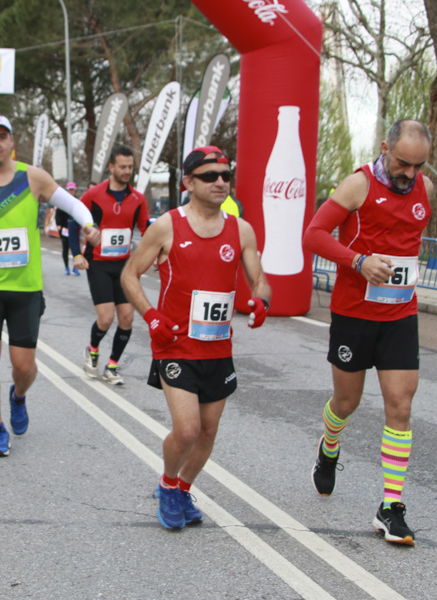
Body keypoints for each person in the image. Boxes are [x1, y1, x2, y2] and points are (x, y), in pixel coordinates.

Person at [121, 145, 271, 530]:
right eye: (210, 176)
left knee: (207, 431)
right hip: (174, 343)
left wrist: (260, 301)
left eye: (225, 174)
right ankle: (168, 486)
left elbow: (260, 280)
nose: (221, 182)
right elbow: (129, 275)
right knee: (186, 429)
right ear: (188, 182)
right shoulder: (167, 226)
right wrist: (151, 316)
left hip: (217, 345)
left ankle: (183, 487)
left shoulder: (241, 229)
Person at [301, 119, 434, 546]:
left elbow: (408, 239)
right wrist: (359, 261)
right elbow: (315, 235)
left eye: (417, 166)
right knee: (347, 401)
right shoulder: (357, 185)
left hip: (399, 314)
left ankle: (390, 507)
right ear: (385, 148)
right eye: (402, 163)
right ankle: (329, 445)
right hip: (354, 314)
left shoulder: (424, 189)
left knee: (400, 404)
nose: (409, 174)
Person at [0, 115, 98, 457]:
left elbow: (72, 204)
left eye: (2, 137)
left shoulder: (32, 177)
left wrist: (88, 224)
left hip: (26, 289)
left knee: (24, 366)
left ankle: (18, 396)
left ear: (11, 141)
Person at [70, 145, 149, 386]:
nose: (127, 171)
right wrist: (76, 254)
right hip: (99, 264)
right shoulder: (93, 195)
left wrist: (156, 254)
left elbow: (147, 230)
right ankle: (92, 349)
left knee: (127, 318)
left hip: (124, 266)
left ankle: (112, 366)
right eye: (123, 167)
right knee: (105, 319)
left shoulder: (138, 199)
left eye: (130, 167)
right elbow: (74, 221)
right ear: (111, 167)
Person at [56, 183, 80, 276]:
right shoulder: (62, 201)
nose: (71, 191)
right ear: (67, 190)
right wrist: (59, 225)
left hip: (75, 228)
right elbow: (58, 214)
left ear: (75, 191)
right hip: (65, 228)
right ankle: (66, 267)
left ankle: (75, 267)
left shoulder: (78, 201)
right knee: (65, 248)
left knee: (75, 247)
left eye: (72, 190)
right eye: (69, 190)